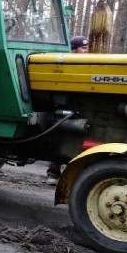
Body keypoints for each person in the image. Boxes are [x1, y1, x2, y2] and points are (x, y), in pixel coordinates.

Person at [45, 35, 88, 183]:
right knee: (60, 137)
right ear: (74, 49)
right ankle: (53, 172)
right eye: (83, 48)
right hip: (63, 106)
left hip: (78, 106)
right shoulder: (63, 63)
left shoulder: (85, 65)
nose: (85, 51)